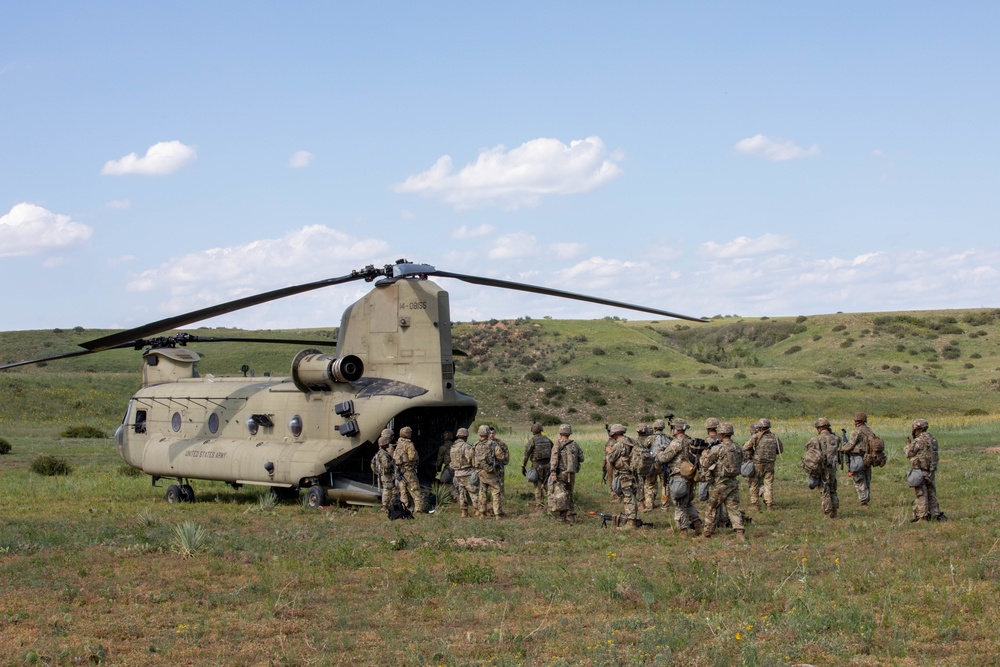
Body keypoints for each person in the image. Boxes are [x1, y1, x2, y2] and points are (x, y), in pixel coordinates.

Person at [699, 422, 746, 541]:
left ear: (722, 433)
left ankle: (707, 533)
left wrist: (703, 455)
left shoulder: (718, 448)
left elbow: (705, 463)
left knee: (711, 507)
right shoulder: (737, 447)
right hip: (733, 481)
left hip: (720, 483)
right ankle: (740, 532)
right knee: (733, 507)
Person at [656, 418, 702, 534]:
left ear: (676, 429)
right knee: (687, 503)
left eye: (672, 428)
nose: (671, 430)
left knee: (679, 504)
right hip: (690, 475)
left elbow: (664, 458)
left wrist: (659, 452)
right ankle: (697, 525)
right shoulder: (689, 440)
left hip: (679, 476)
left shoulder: (677, 442)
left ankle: (683, 531)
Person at [904, 418, 946, 522]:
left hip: (921, 470)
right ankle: (935, 514)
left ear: (916, 428)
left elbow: (909, 453)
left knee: (921, 493)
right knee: (931, 492)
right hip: (931, 471)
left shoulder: (919, 440)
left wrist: (908, 445)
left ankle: (922, 517)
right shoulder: (933, 439)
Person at [605, 423, 640, 529]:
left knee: (628, 497)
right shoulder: (631, 441)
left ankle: (631, 523)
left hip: (625, 474)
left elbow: (611, 459)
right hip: (633, 474)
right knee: (632, 496)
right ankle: (632, 518)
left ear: (614, 433)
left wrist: (609, 452)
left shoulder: (619, 444)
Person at [805, 417, 840, 518]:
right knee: (833, 489)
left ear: (819, 428)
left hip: (823, 468)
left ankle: (828, 512)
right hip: (833, 468)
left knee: (825, 491)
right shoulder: (836, 438)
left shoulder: (815, 439)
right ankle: (835, 510)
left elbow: (809, 452)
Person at [744, 418, 782, 510]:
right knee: (768, 484)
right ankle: (769, 504)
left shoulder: (756, 436)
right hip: (770, 464)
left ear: (760, 427)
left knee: (754, 484)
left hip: (757, 464)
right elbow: (780, 450)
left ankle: (755, 505)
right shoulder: (775, 437)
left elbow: (745, 447)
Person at [549, 423, 584, 522]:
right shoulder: (574, 444)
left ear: (560, 433)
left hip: (561, 473)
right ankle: (571, 516)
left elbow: (554, 459)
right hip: (571, 473)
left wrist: (553, 473)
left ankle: (563, 516)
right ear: (569, 433)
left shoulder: (558, 443)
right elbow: (582, 458)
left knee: (561, 495)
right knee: (570, 494)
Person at [840, 412, 874, 507]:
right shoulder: (869, 430)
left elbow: (850, 445)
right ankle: (866, 499)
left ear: (857, 421)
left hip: (857, 458)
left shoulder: (856, 431)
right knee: (866, 479)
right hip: (868, 458)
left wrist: (842, 448)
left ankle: (864, 502)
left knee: (859, 479)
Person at [392, 426, 427, 513]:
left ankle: (404, 510)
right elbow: (412, 457)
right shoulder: (409, 444)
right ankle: (419, 510)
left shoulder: (398, 445)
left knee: (403, 492)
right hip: (409, 471)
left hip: (401, 471)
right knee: (415, 490)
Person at [474, 425, 505, 518]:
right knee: (496, 490)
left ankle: (482, 513)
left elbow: (470, 457)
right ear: (488, 433)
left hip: (480, 471)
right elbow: (501, 456)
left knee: (482, 491)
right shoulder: (493, 444)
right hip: (490, 472)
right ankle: (497, 513)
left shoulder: (475, 444)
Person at [522, 423, 554, 510]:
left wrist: (523, 466)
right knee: (548, 483)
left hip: (537, 465)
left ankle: (540, 505)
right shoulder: (548, 439)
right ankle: (552, 502)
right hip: (548, 465)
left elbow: (526, 455)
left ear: (533, 431)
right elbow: (554, 451)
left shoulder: (532, 441)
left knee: (538, 485)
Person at [449, 427, 476, 517]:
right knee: (473, 492)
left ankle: (464, 512)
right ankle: (477, 511)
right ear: (465, 436)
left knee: (462, 493)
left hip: (457, 473)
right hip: (466, 472)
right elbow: (470, 459)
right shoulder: (466, 446)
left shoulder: (453, 447)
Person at [632, 424, 659, 512]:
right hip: (651, 465)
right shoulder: (652, 440)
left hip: (639, 466)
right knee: (651, 484)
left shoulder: (636, 441)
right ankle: (650, 503)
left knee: (640, 485)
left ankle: (640, 504)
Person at [371, 432, 398, 512]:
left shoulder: (379, 453)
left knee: (389, 490)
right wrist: (393, 461)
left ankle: (388, 505)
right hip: (387, 475)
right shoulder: (383, 454)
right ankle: (385, 506)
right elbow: (386, 465)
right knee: (388, 490)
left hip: (384, 475)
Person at [650, 418, 670, 509]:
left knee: (650, 484)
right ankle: (665, 505)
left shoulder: (650, 438)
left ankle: (650, 503)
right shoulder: (668, 438)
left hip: (653, 463)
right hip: (664, 463)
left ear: (655, 427)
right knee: (665, 484)